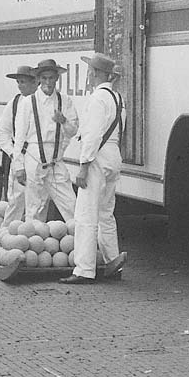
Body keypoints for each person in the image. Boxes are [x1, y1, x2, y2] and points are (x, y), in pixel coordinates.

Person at [60, 53, 127, 285]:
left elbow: (92, 135)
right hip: (113, 155)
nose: (88, 74)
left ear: (95, 73)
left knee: (85, 215)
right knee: (106, 213)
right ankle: (113, 261)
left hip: (97, 157)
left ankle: (84, 270)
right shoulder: (117, 98)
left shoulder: (98, 98)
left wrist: (83, 166)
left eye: (90, 71)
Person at [11, 59, 78, 224]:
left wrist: (63, 121)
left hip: (56, 160)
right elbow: (19, 137)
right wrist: (18, 166)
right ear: (39, 79)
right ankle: (34, 246)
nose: (48, 82)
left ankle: (83, 246)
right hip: (33, 158)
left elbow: (73, 131)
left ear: (57, 79)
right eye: (45, 78)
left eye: (52, 78)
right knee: (34, 208)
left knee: (72, 204)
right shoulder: (28, 102)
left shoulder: (65, 101)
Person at [0, 65, 39, 229]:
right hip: (20, 156)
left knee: (38, 202)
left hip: (40, 158)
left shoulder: (43, 102)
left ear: (35, 83)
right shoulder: (14, 103)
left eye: (24, 82)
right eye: (18, 82)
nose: (20, 86)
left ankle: (34, 237)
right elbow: (2, 131)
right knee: (16, 200)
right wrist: (13, 153)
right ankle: (5, 236)